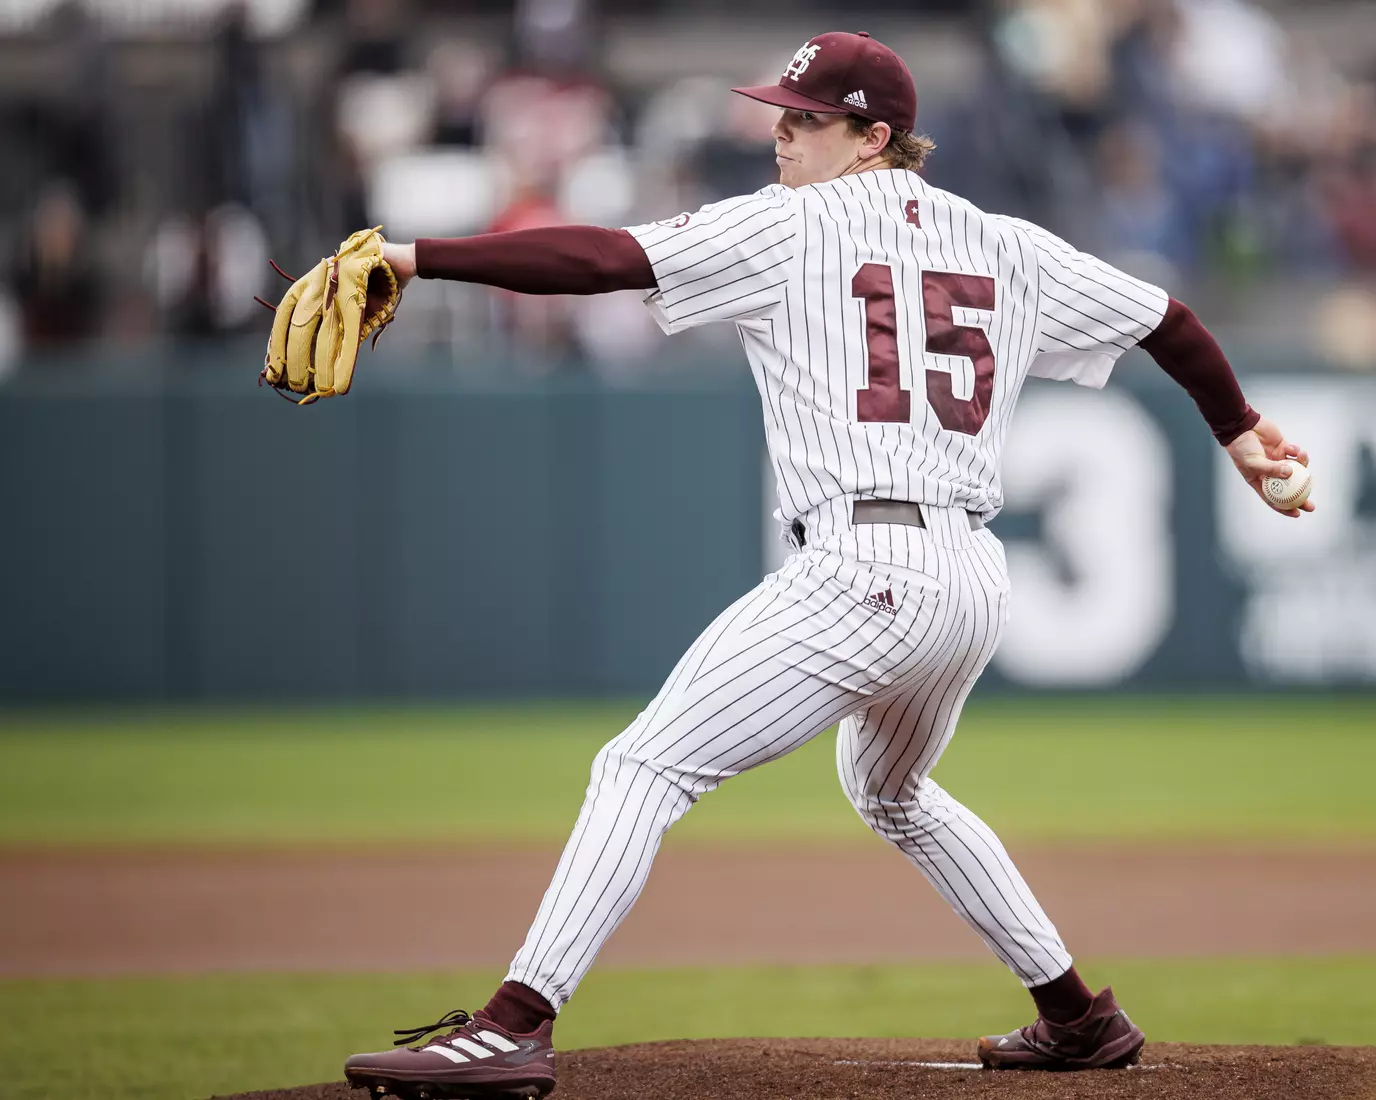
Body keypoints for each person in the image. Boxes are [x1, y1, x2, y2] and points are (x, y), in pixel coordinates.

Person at [341, 31, 1311, 1100]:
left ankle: (512, 1024)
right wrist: (1240, 430)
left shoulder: (791, 226)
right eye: (780, 112)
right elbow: (1165, 319)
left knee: (642, 767)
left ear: (874, 138)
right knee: (891, 788)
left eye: (805, 119)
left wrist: (416, 256)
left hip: (865, 565)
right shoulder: (1006, 242)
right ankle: (1078, 1013)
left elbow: (607, 261)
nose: (780, 133)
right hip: (972, 578)